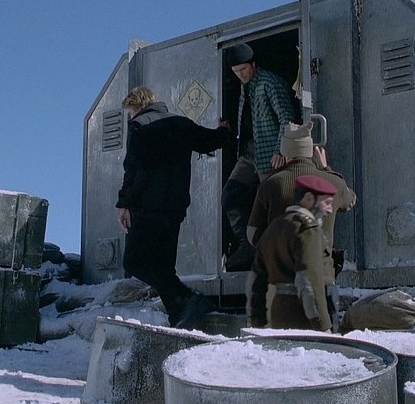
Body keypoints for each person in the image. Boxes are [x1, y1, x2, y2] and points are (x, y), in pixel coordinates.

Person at [116, 86, 232, 329]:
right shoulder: (180, 123)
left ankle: (189, 298)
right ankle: (179, 314)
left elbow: (134, 170)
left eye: (130, 111)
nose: (130, 116)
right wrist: (224, 131)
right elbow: (208, 141)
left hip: (148, 208)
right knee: (164, 267)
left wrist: (124, 204)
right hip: (175, 208)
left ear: (137, 106)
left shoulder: (139, 126)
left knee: (135, 262)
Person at [247, 121, 357, 277]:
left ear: (285, 153)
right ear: (310, 151)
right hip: (321, 274)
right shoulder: (334, 183)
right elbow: (350, 201)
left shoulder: (270, 185)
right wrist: (326, 169)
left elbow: (252, 233)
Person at [222, 42, 296, 271]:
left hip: (269, 153)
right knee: (231, 195)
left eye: (244, 69)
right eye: (236, 72)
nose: (241, 75)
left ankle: (278, 257)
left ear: (253, 64)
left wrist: (281, 150)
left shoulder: (269, 82)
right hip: (248, 153)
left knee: (274, 206)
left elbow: (287, 117)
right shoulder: (244, 87)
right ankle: (248, 247)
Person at [247, 175, 339, 331]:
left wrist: (257, 322)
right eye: (327, 203)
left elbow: (256, 280)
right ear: (309, 198)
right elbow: (309, 281)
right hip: (304, 318)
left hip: (278, 312)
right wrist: (323, 327)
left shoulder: (275, 226)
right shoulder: (307, 231)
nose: (330, 210)